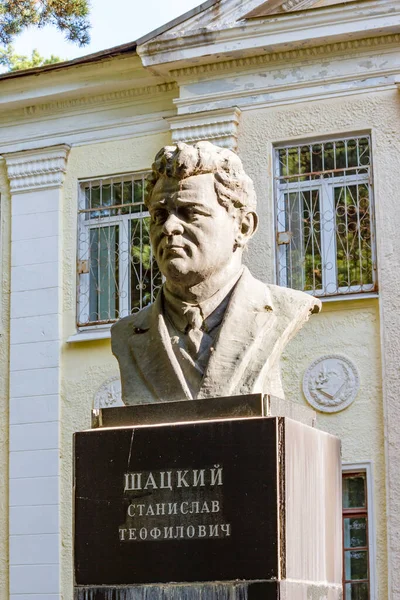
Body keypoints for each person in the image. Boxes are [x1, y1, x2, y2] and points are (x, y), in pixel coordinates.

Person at [111, 141, 321, 404]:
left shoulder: (283, 310)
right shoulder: (127, 334)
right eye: (159, 215)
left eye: (190, 212)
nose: (169, 227)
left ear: (243, 227)